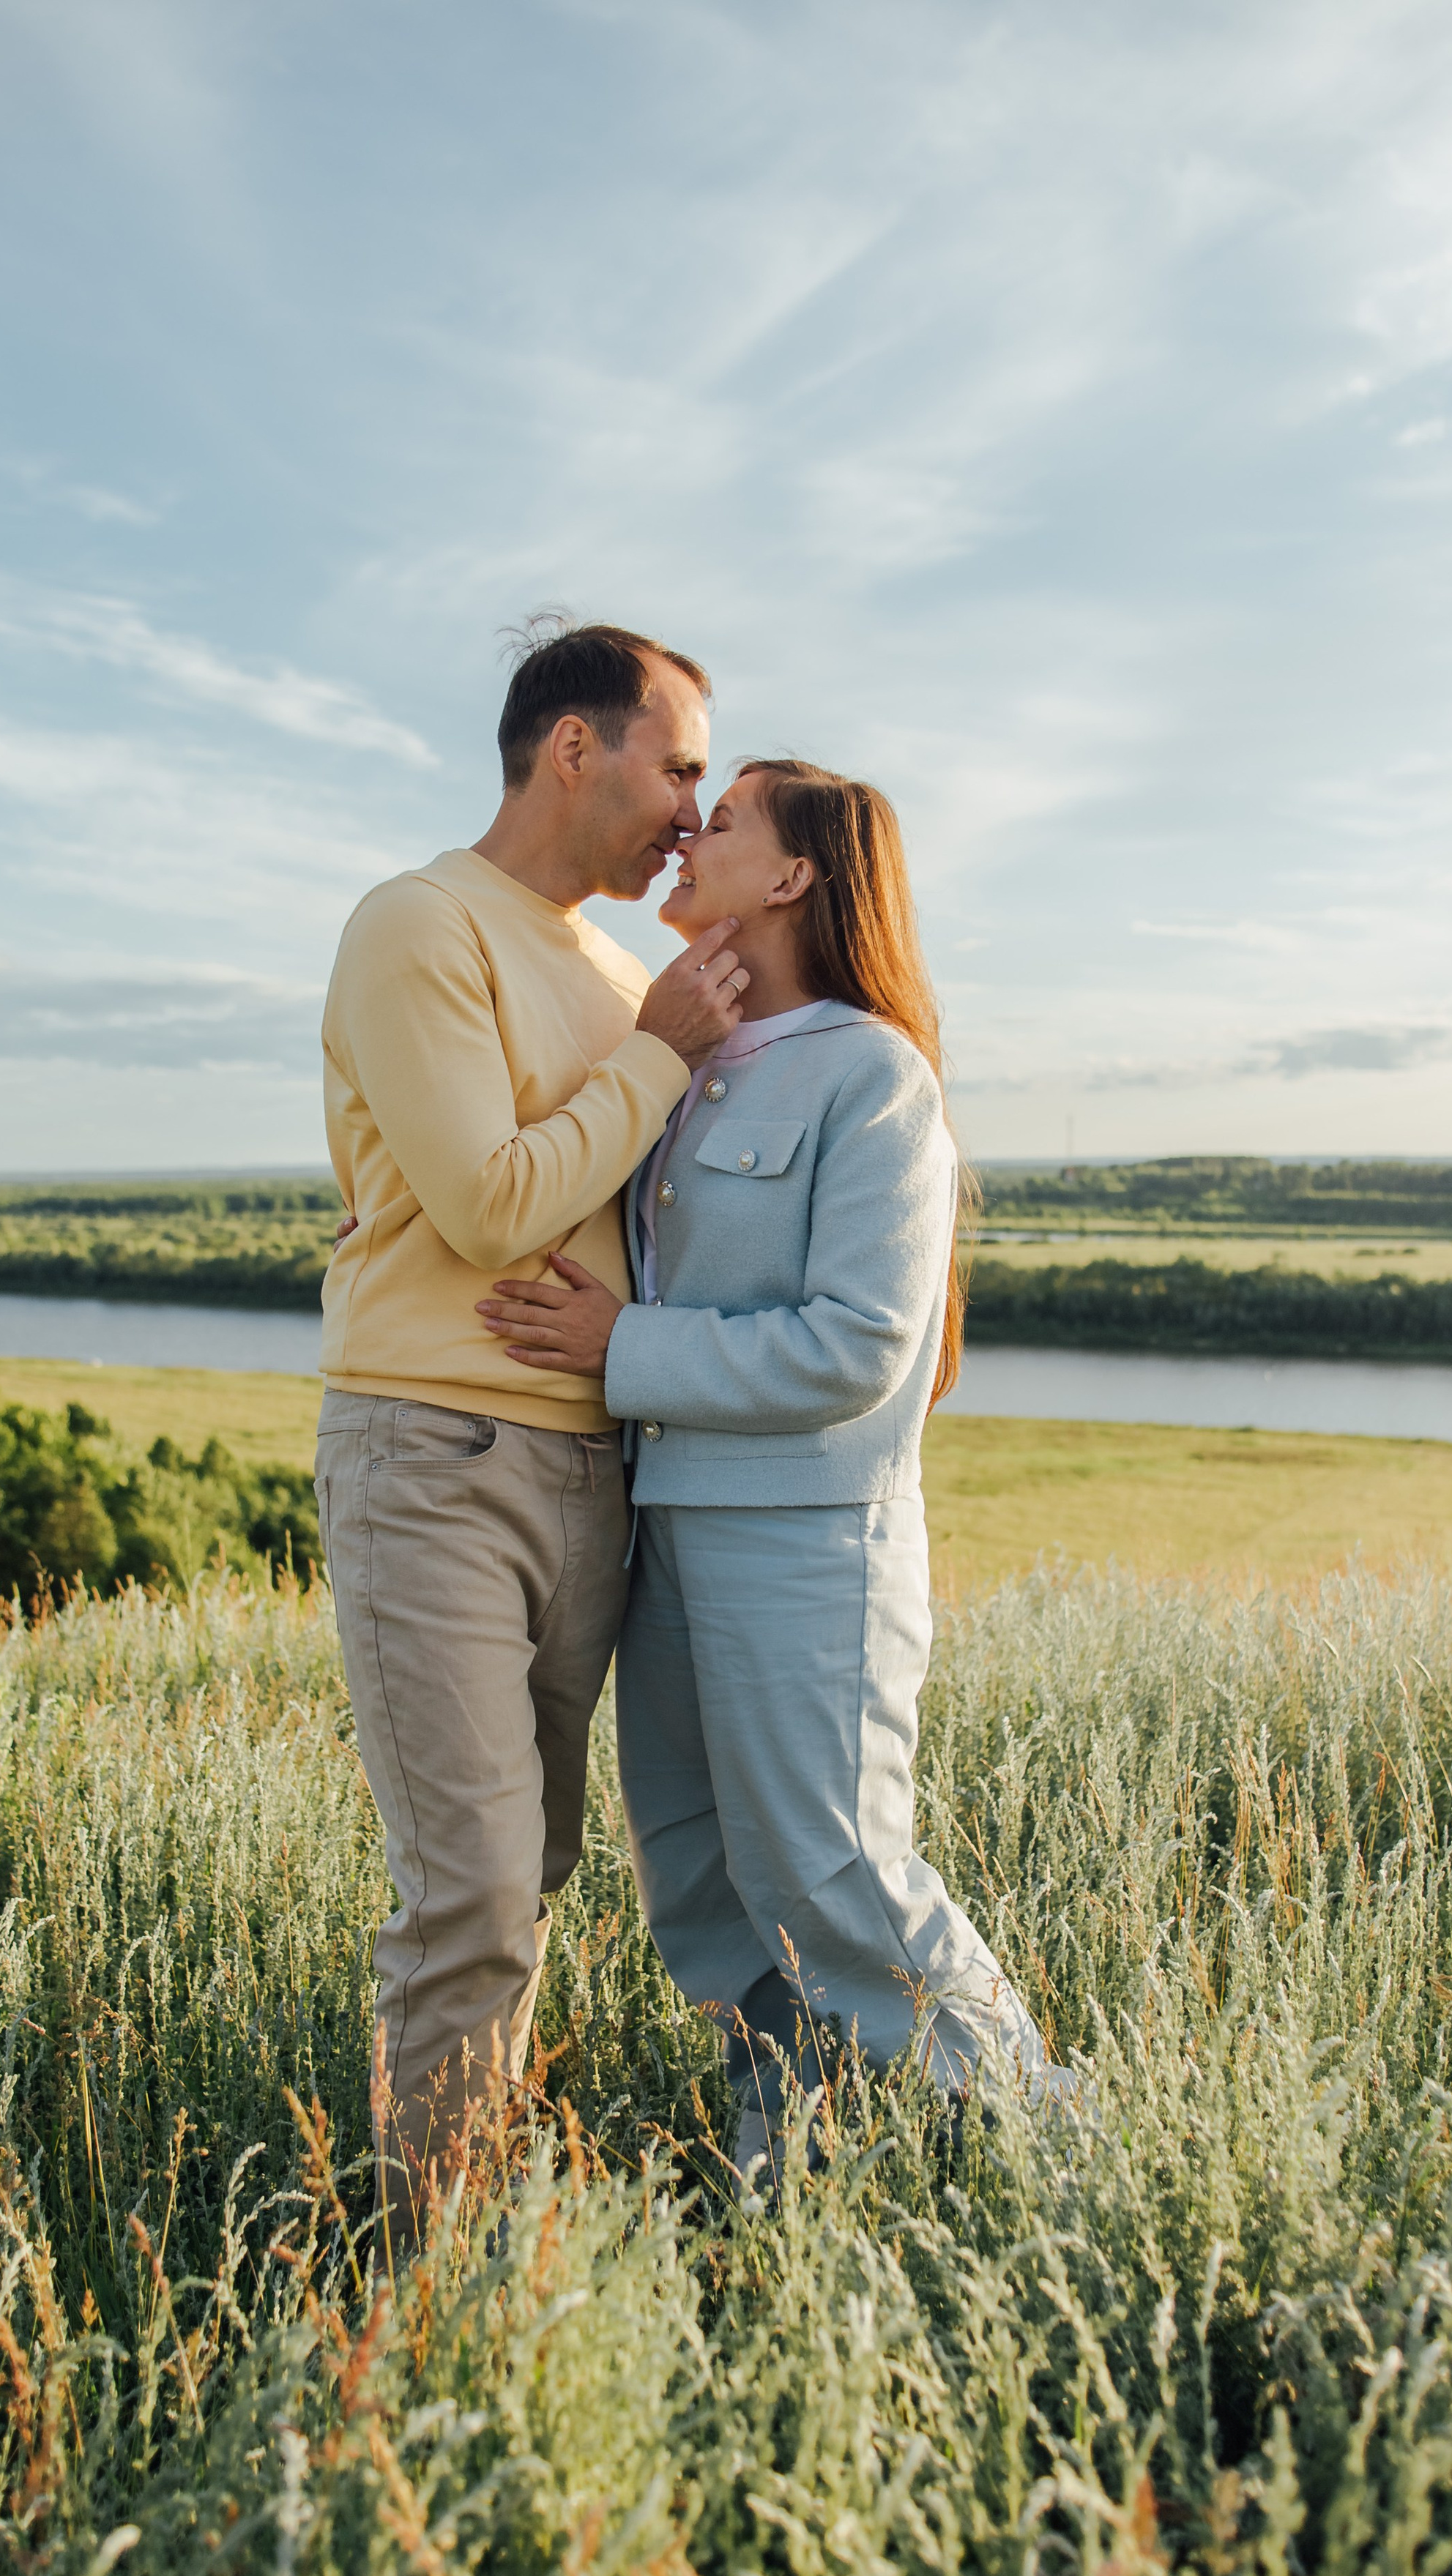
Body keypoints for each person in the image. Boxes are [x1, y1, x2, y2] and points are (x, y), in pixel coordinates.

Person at [477, 758, 1062, 2179]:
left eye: (722, 818)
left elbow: (855, 1348)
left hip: (805, 1550)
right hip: (665, 1540)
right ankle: (790, 2166)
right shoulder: (681, 1058)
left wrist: (620, 1348)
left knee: (835, 1874)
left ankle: (1055, 2153)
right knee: (701, 1880)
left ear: (794, 876)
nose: (687, 829)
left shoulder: (871, 1074)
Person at [314, 618, 751, 2248]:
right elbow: (492, 1206)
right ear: (576, 748)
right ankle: (427, 2291)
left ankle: (477, 2217)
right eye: (678, 765)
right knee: (477, 1896)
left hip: (597, 1470)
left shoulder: (630, 975)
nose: (691, 814)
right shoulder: (416, 925)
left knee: (535, 1877)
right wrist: (654, 1061)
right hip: (430, 1454)